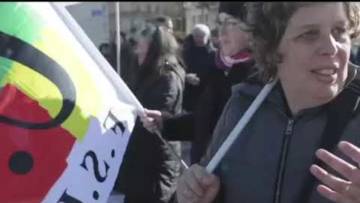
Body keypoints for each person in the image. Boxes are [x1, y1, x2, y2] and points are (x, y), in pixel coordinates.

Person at [176, 2, 360, 203]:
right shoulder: (242, 105)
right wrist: (199, 192)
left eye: (339, 31)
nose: (331, 47)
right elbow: (208, 178)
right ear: (272, 47)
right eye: (310, 34)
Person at [142, 2, 255, 164]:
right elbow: (206, 122)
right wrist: (166, 123)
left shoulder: (262, 77)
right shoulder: (219, 68)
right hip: (206, 176)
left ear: (252, 30)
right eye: (220, 22)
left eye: (232, 23)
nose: (222, 32)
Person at [114, 23, 186, 203]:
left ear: (155, 47)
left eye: (142, 47)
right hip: (140, 159)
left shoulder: (167, 75)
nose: (137, 51)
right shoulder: (144, 72)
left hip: (156, 160)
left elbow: (161, 112)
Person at [182, 24, 217, 112]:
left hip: (207, 96)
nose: (199, 39)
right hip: (187, 95)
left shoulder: (215, 54)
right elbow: (177, 70)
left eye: (202, 36)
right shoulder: (184, 52)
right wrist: (186, 77)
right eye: (197, 36)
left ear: (208, 37)